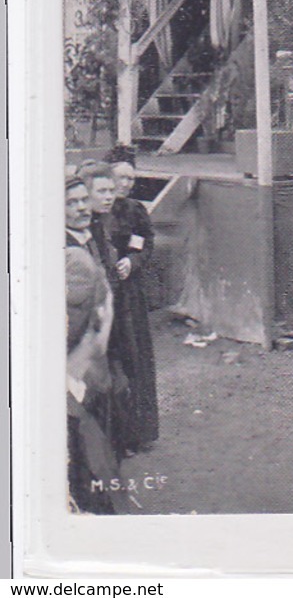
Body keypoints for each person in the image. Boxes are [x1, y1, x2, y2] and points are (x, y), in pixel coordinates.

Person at [65, 175, 124, 513]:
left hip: (98, 352)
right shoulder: (69, 253)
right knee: (83, 436)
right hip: (80, 357)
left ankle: (104, 496)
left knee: (101, 427)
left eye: (82, 200)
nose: (81, 208)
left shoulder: (90, 236)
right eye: (71, 203)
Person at [103, 144, 159, 453]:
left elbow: (144, 242)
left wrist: (132, 262)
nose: (126, 184)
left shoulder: (135, 211)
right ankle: (113, 435)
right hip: (106, 295)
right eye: (121, 177)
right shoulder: (96, 209)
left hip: (130, 295)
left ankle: (139, 432)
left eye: (130, 179)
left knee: (136, 359)